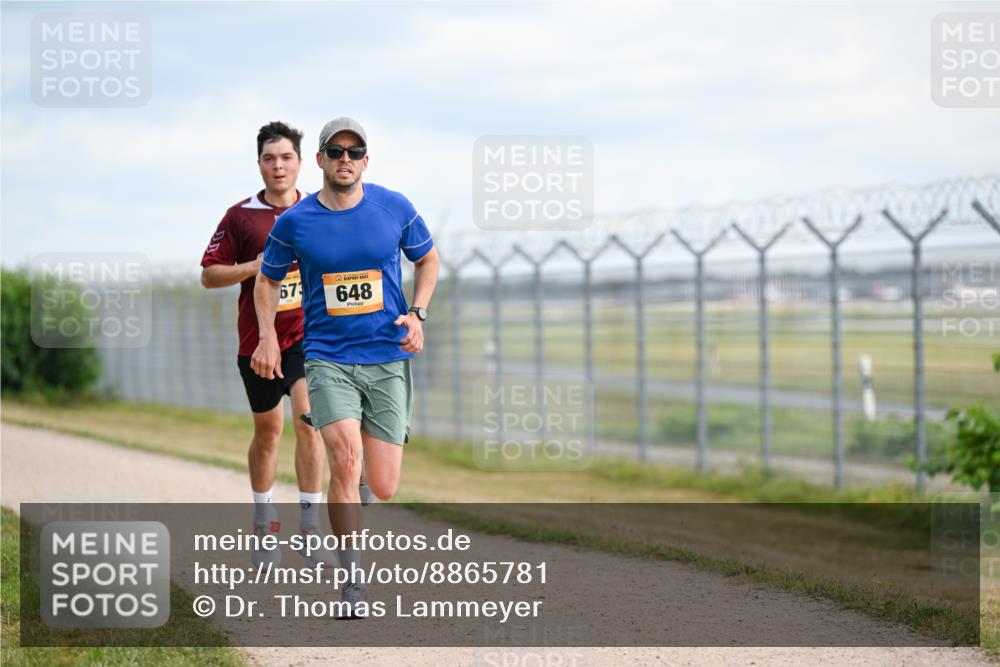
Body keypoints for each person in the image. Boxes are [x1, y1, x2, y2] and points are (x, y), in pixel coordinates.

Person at [251, 117, 440, 616]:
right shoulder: (295, 222)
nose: (345, 160)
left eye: (355, 153)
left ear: (365, 161)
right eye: (336, 152)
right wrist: (268, 337)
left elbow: (429, 261)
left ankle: (352, 496)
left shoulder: (392, 207)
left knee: (381, 484)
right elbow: (266, 283)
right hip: (327, 359)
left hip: (387, 356)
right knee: (344, 460)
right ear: (319, 160)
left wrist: (417, 313)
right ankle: (353, 581)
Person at [201, 121, 343, 568]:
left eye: (286, 157)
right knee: (268, 433)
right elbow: (209, 275)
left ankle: (308, 526)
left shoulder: (320, 210)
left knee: (309, 422)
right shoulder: (241, 216)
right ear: (259, 164)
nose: (278, 166)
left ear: (302, 163)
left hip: (310, 340)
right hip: (258, 343)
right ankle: (263, 527)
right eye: (269, 158)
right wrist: (256, 267)